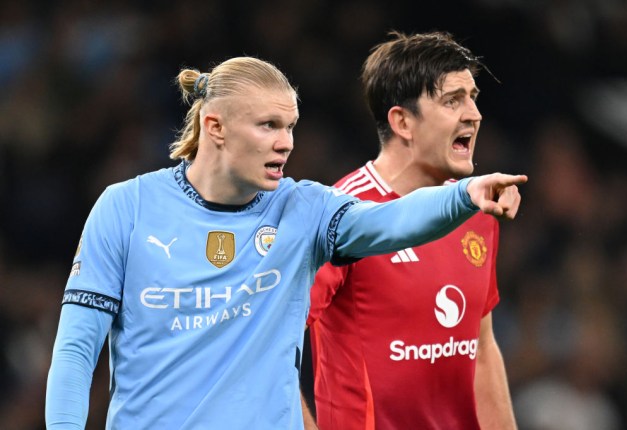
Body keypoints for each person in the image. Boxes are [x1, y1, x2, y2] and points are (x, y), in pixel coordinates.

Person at [45, 55, 526, 429]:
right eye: (269, 126)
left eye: (290, 126)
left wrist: (465, 195)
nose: (286, 142)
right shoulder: (126, 208)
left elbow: (392, 221)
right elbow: (75, 351)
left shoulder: (305, 210)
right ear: (215, 128)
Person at [306, 31, 518, 429]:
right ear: (402, 121)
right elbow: (272, 344)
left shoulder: (477, 208)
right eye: (453, 100)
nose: (474, 114)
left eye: (473, 97)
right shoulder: (341, 218)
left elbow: (482, 349)